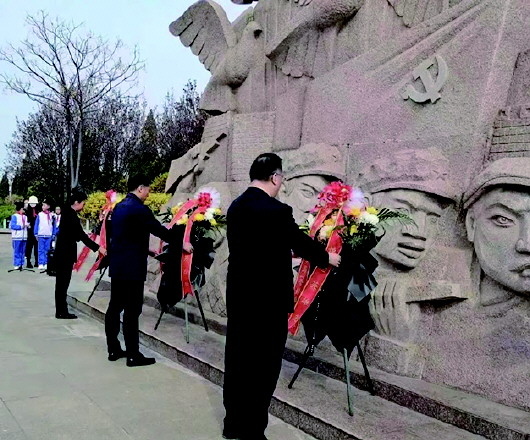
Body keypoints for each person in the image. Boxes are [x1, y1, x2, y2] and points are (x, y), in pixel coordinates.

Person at [222, 153, 341, 440]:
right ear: (275, 177)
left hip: (239, 296)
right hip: (269, 301)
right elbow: (299, 243)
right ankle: (253, 430)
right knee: (264, 365)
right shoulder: (277, 211)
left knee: (238, 359)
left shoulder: (236, 207)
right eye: (282, 178)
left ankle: (233, 424)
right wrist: (327, 257)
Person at [105, 174, 173, 367]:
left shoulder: (119, 207)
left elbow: (124, 236)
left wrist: (145, 249)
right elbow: (159, 230)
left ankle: (113, 349)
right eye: (148, 189)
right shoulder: (139, 209)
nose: (149, 193)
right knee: (132, 310)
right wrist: (181, 243)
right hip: (132, 268)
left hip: (118, 265)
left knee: (114, 307)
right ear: (141, 188)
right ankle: (133, 354)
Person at [54, 188, 105, 319]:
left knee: (61, 283)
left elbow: (76, 234)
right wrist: (98, 248)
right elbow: (81, 235)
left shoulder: (67, 212)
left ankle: (61, 309)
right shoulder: (70, 215)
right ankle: (61, 311)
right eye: (83, 203)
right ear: (76, 202)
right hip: (65, 253)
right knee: (63, 283)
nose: (83, 206)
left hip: (63, 252)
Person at [34, 200, 54, 270]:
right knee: (40, 250)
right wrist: (36, 233)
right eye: (42, 205)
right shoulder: (40, 214)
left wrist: (53, 234)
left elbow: (54, 225)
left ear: (48, 206)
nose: (43, 207)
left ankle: (46, 263)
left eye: (44, 205)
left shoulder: (52, 215)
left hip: (48, 235)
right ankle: (41, 263)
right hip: (41, 234)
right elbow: (36, 224)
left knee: (47, 250)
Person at [10, 202, 29, 270]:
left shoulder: (25, 217)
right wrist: (21, 226)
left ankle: (21, 264)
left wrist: (28, 226)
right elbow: (12, 226)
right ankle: (16, 264)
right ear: (20, 209)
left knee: (23, 251)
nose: (24, 210)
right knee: (17, 251)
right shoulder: (14, 216)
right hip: (17, 236)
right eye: (23, 209)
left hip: (24, 236)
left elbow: (26, 224)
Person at [24, 196, 39, 268]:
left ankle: (37, 261)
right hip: (29, 231)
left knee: (36, 247)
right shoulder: (26, 211)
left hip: (36, 231)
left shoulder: (38, 210)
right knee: (29, 247)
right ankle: (28, 262)